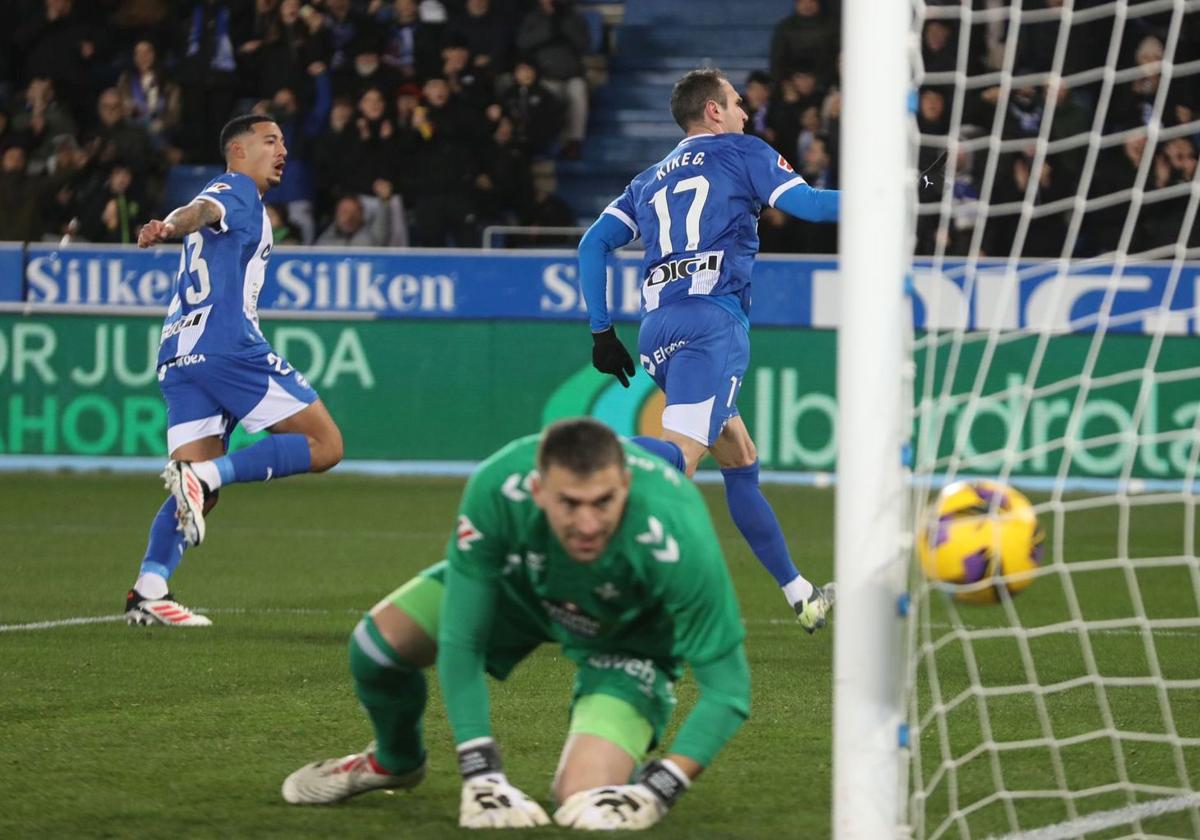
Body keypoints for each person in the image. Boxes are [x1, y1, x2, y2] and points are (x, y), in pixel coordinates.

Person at [281, 418, 750, 831]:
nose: (587, 523)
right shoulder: (497, 486)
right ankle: (395, 762)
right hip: (522, 591)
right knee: (377, 645)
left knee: (584, 802)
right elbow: (461, 639)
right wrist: (481, 771)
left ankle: (614, 765)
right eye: (569, 503)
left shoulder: (678, 530)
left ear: (625, 484)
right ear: (538, 490)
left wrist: (659, 789)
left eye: (603, 502)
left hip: (627, 640)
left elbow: (728, 691)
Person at [577, 68, 839, 631]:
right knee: (682, 461)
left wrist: (602, 332)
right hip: (710, 324)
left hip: (657, 330)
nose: (746, 113)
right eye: (737, 103)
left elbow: (593, 243)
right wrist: (898, 197)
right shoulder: (743, 151)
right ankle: (584, 467)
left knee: (739, 457)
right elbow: (814, 206)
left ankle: (802, 596)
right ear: (714, 112)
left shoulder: (647, 179)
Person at [125, 114, 344, 627]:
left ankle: (148, 590)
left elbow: (199, 212)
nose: (282, 150)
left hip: (179, 355)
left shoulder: (239, 198)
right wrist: (170, 225)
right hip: (227, 346)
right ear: (239, 152)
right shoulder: (238, 187)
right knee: (326, 446)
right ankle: (204, 475)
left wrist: (173, 226)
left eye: (285, 142)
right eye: (271, 141)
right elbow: (200, 208)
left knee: (196, 489)